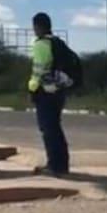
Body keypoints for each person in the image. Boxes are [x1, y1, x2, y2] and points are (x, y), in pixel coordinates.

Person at [28, 12, 71, 177]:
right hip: (59, 90)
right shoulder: (57, 42)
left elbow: (38, 70)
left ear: (37, 26)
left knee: (48, 129)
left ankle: (55, 166)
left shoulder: (41, 44)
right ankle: (61, 164)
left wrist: (32, 88)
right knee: (55, 128)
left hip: (45, 92)